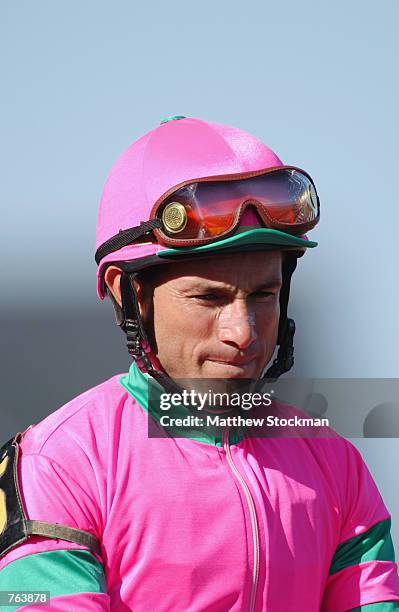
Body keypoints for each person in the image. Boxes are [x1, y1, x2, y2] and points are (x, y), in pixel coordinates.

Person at [0, 116, 398, 611]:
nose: (243, 332)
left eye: (263, 294)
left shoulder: (336, 463)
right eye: (208, 299)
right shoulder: (59, 462)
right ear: (129, 295)